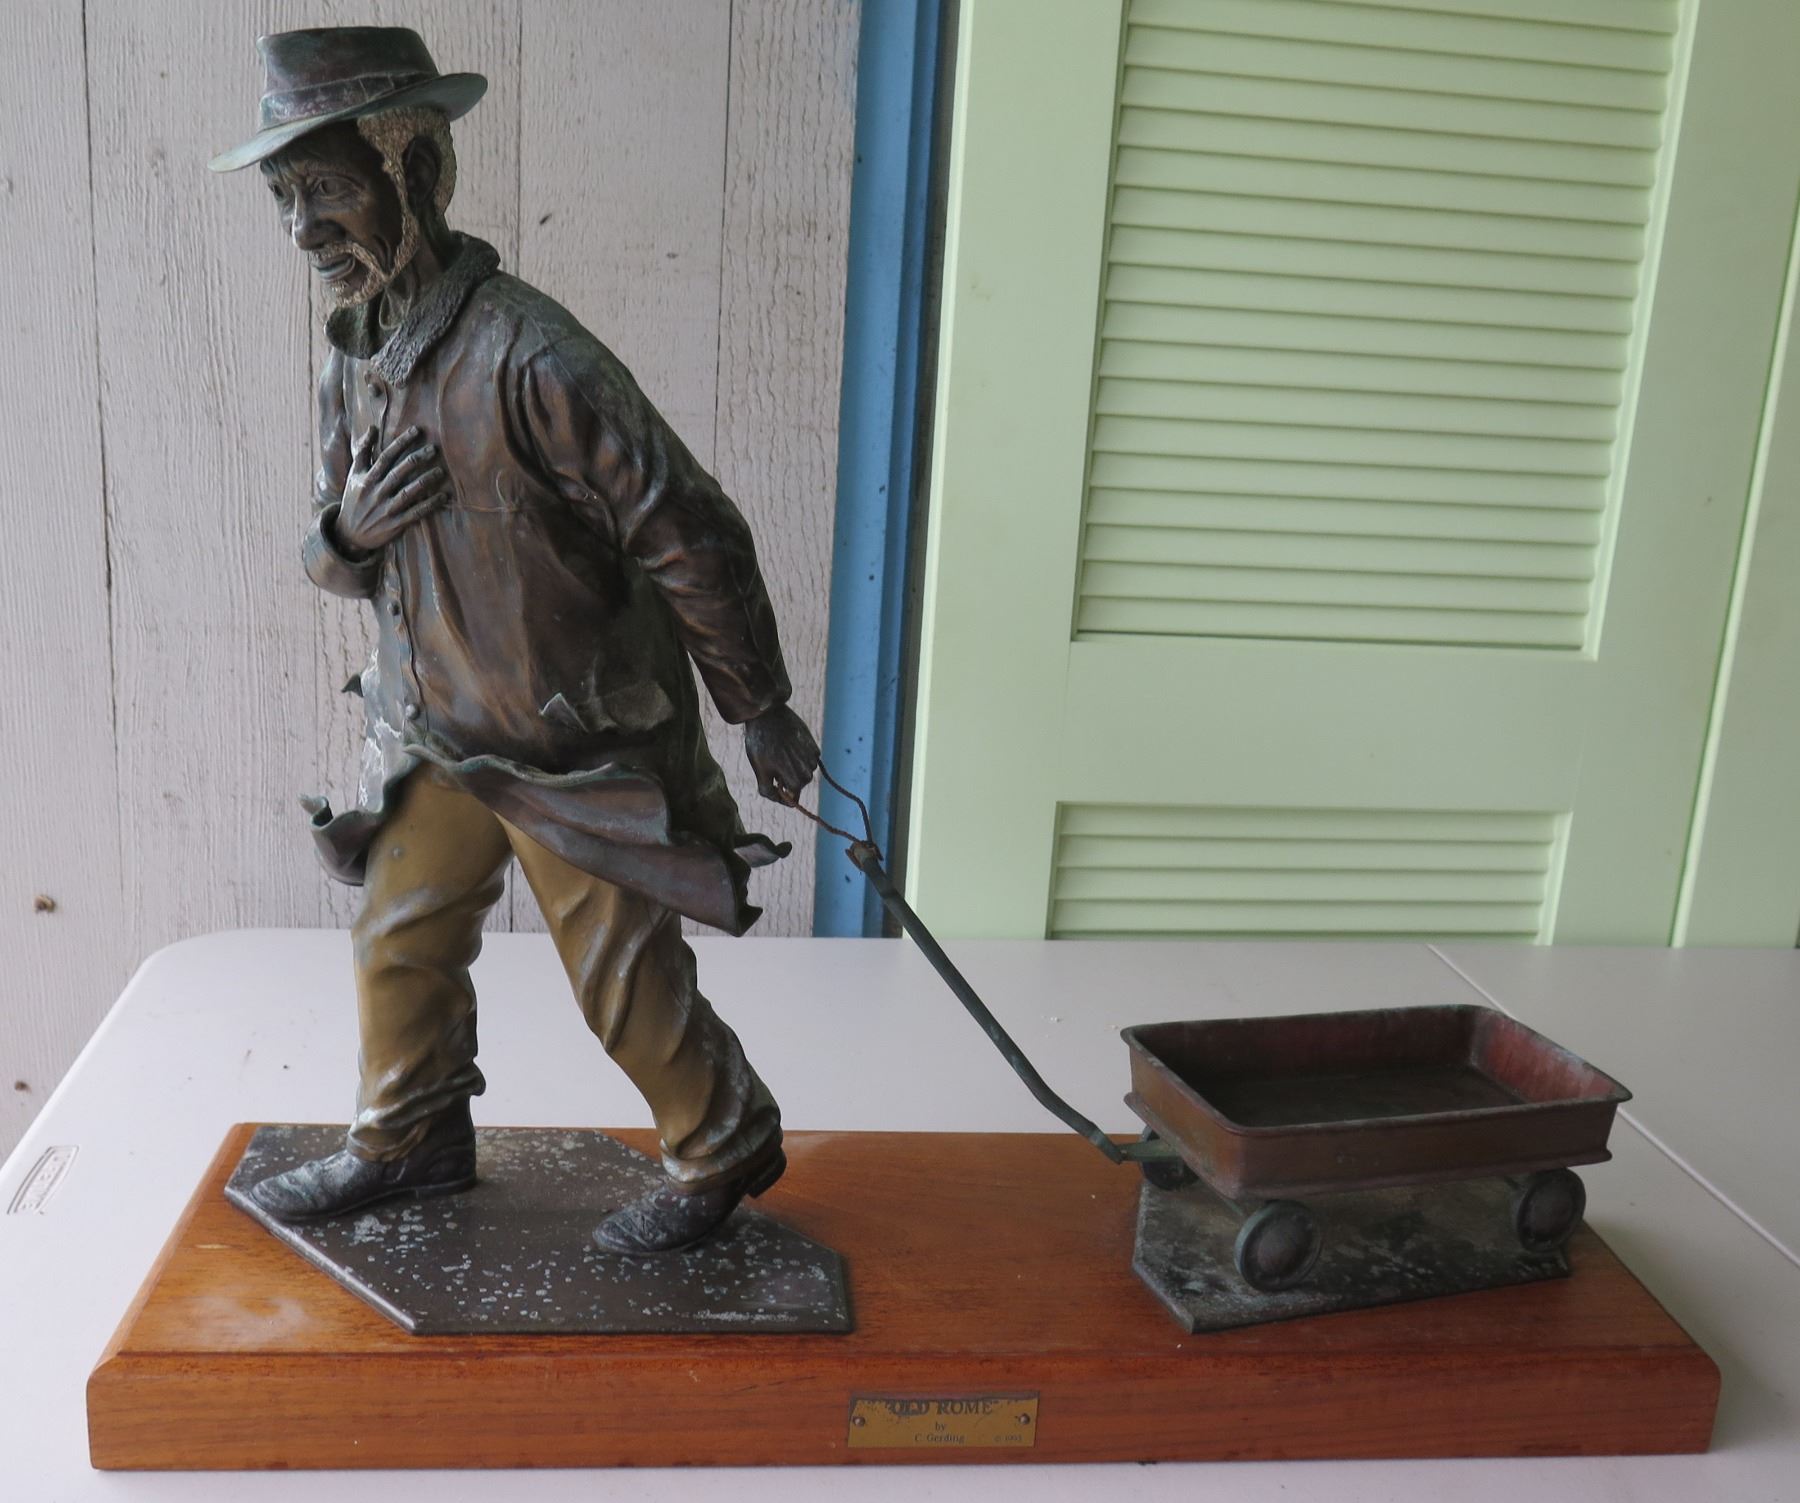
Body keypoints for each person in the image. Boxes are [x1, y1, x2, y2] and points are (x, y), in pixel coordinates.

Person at [208, 27, 820, 1254]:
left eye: (326, 188)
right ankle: (411, 1138)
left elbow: (686, 531)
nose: (303, 227)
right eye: (284, 197)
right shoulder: (353, 357)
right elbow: (327, 552)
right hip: (436, 736)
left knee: (619, 973)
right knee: (400, 936)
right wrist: (345, 533)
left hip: (569, 744)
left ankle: (722, 1142)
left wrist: (757, 704)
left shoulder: (533, 355)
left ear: (418, 171)